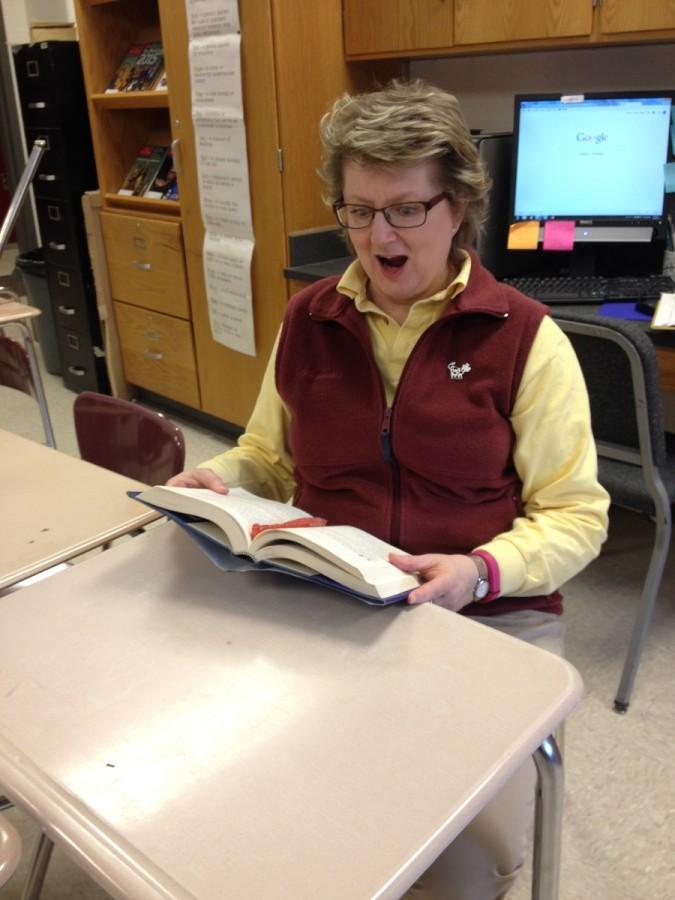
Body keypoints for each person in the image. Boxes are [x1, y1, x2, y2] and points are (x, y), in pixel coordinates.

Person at [169, 79, 609, 899]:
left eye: (407, 209)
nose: (378, 235)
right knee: (246, 803)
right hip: (330, 593)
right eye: (358, 209)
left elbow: (576, 517)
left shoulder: (525, 337)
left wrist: (478, 571)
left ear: (458, 205)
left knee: (465, 864)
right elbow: (266, 455)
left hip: (488, 616)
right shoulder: (308, 317)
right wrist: (216, 480)